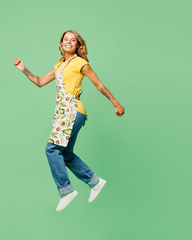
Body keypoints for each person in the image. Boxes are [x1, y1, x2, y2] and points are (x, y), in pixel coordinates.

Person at [14, 30, 125, 212]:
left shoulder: (81, 63)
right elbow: (41, 81)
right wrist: (23, 69)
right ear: (61, 43)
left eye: (73, 40)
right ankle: (94, 182)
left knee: (52, 149)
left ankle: (66, 191)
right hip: (63, 112)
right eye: (66, 39)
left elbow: (98, 84)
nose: (69, 42)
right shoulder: (60, 64)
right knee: (65, 154)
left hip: (72, 110)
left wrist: (116, 103)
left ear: (77, 45)